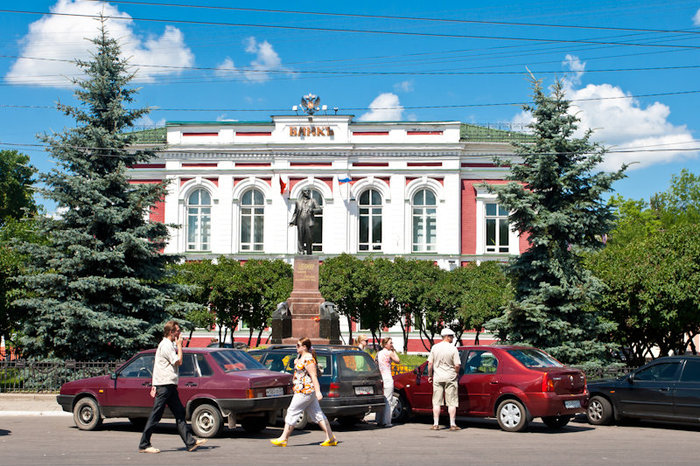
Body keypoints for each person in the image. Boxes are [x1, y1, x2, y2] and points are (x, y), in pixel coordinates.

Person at [139, 321, 207, 453]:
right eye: (178, 331)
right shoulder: (166, 345)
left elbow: (157, 366)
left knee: (180, 413)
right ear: (172, 332)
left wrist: (153, 384)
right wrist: (180, 345)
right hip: (165, 386)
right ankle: (144, 444)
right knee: (156, 415)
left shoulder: (167, 345)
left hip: (169, 385)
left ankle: (190, 442)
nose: (180, 333)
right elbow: (179, 361)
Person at [270, 337, 338, 447]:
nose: (296, 347)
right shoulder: (301, 358)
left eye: (298, 345)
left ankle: (284, 438)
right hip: (302, 390)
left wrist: (318, 392)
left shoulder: (309, 359)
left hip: (305, 390)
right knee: (317, 414)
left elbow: (314, 376)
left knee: (292, 411)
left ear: (304, 347)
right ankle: (330, 437)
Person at [427, 328, 462, 431]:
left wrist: (430, 375)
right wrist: (456, 373)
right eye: (451, 336)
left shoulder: (435, 347)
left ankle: (436, 424)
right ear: (447, 336)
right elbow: (457, 365)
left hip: (438, 377)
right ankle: (452, 424)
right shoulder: (453, 349)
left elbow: (430, 364)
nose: (453, 338)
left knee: (436, 401)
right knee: (452, 402)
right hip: (450, 377)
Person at [376, 337, 400, 427]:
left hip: (381, 378)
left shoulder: (379, 353)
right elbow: (398, 360)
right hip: (387, 377)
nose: (392, 344)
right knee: (388, 400)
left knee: (382, 399)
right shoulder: (389, 352)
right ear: (385, 344)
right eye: (390, 343)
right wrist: (394, 351)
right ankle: (386, 421)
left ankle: (379, 420)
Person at [289, 188, 322, 255]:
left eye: (308, 191)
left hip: (309, 220)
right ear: (303, 192)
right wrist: (292, 221)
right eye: (306, 191)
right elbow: (295, 212)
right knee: (300, 236)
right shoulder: (298, 202)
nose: (308, 192)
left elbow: (319, 209)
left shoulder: (312, 201)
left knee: (309, 237)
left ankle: (309, 251)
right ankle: (301, 251)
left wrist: (312, 210)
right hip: (300, 220)